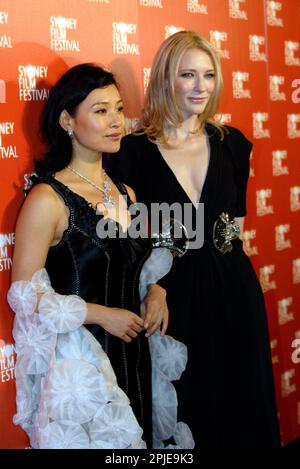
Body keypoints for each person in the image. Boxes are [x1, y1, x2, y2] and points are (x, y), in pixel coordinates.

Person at [107, 31, 281, 448]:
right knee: (190, 410)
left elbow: (231, 230)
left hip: (234, 289)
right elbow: (129, 239)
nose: (201, 86)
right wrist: (153, 287)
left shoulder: (232, 144)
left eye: (208, 75)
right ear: (166, 80)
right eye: (188, 75)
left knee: (242, 402)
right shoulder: (131, 152)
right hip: (172, 298)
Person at [7, 63, 173, 449]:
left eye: (118, 108)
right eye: (100, 111)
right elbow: (23, 296)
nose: (116, 121)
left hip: (134, 351)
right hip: (82, 365)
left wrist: (156, 291)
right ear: (68, 120)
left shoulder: (126, 192)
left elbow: (133, 265)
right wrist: (100, 314)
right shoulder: (46, 200)